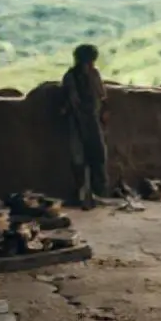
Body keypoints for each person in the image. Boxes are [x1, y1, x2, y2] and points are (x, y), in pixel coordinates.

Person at [61, 44, 109, 208]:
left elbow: (102, 97)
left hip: (93, 121)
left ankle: (96, 192)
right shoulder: (70, 77)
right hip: (77, 121)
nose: (91, 65)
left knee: (98, 155)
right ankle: (82, 194)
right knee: (79, 158)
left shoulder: (94, 75)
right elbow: (71, 101)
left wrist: (102, 113)